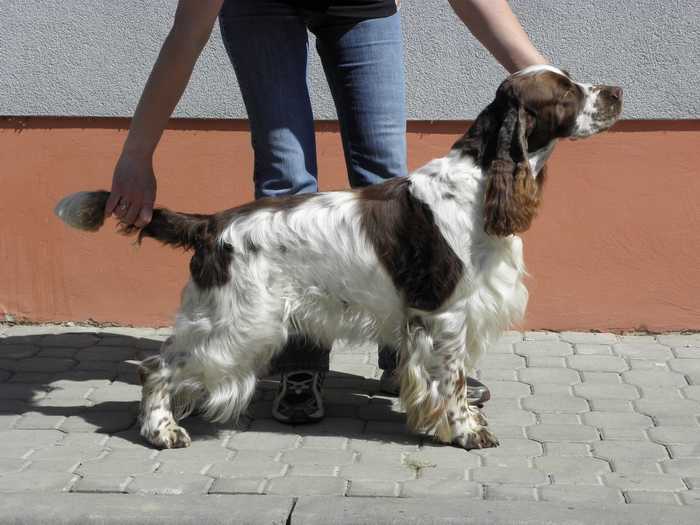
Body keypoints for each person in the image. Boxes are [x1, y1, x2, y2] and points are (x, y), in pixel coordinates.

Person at [107, 0, 548, 424]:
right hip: (261, 8)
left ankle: (415, 360)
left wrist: (543, 79)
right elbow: (187, 33)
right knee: (284, 181)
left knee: (387, 181)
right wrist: (137, 153)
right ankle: (300, 364)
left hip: (361, 6)